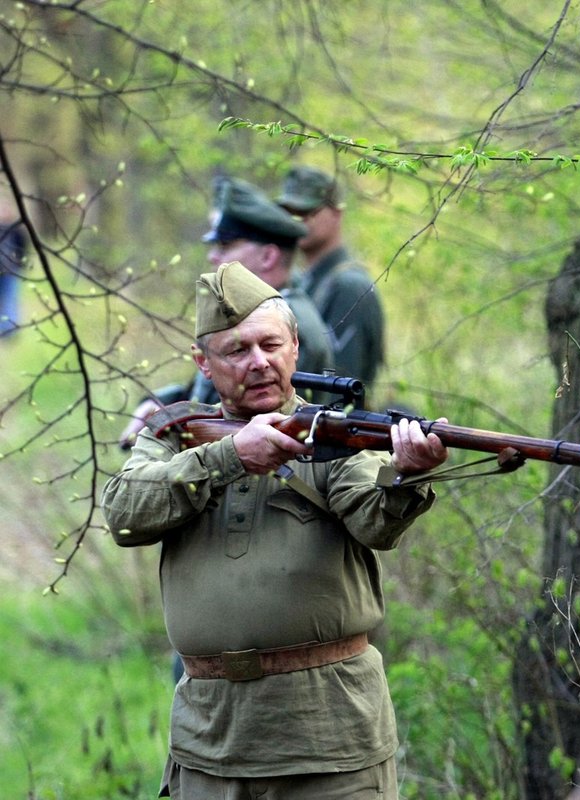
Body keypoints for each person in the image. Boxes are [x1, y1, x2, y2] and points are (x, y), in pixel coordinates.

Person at [102, 260, 449, 798]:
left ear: (294, 347)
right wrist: (229, 458)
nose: (258, 363)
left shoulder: (333, 436)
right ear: (204, 363)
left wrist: (407, 474)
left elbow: (374, 520)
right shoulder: (175, 434)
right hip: (209, 741)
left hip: (330, 741)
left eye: (270, 345)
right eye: (237, 351)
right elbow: (124, 512)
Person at [120, 177, 334, 445]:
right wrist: (162, 405)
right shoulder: (260, 318)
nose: (213, 257)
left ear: (268, 257)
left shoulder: (287, 320)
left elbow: (254, 422)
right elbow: (214, 399)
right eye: (239, 351)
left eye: (226, 246)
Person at [277, 165, 386, 394]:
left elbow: (341, 388)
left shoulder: (349, 287)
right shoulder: (304, 280)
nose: (296, 220)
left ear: (337, 213)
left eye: (307, 211)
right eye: (288, 211)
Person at [0, 204, 26, 338]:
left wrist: (20, 264)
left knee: (9, 299)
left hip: (11, 271)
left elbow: (23, 248)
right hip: (10, 270)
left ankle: (9, 330)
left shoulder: (16, 230)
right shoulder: (16, 230)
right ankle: (6, 329)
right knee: (8, 299)